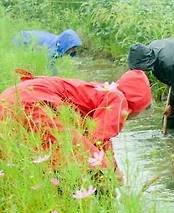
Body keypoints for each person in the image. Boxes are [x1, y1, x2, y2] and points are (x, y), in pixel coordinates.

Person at [0, 69, 152, 172]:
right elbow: (98, 141)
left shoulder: (103, 93)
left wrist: (111, 165)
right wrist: (111, 174)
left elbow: (100, 140)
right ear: (137, 106)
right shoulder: (118, 99)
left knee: (17, 159)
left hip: (11, 98)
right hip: (33, 102)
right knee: (88, 163)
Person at [14, 29, 82, 59]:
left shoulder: (60, 42)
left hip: (28, 37)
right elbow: (50, 64)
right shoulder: (53, 48)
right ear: (66, 45)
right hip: (22, 40)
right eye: (72, 48)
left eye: (74, 48)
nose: (73, 50)